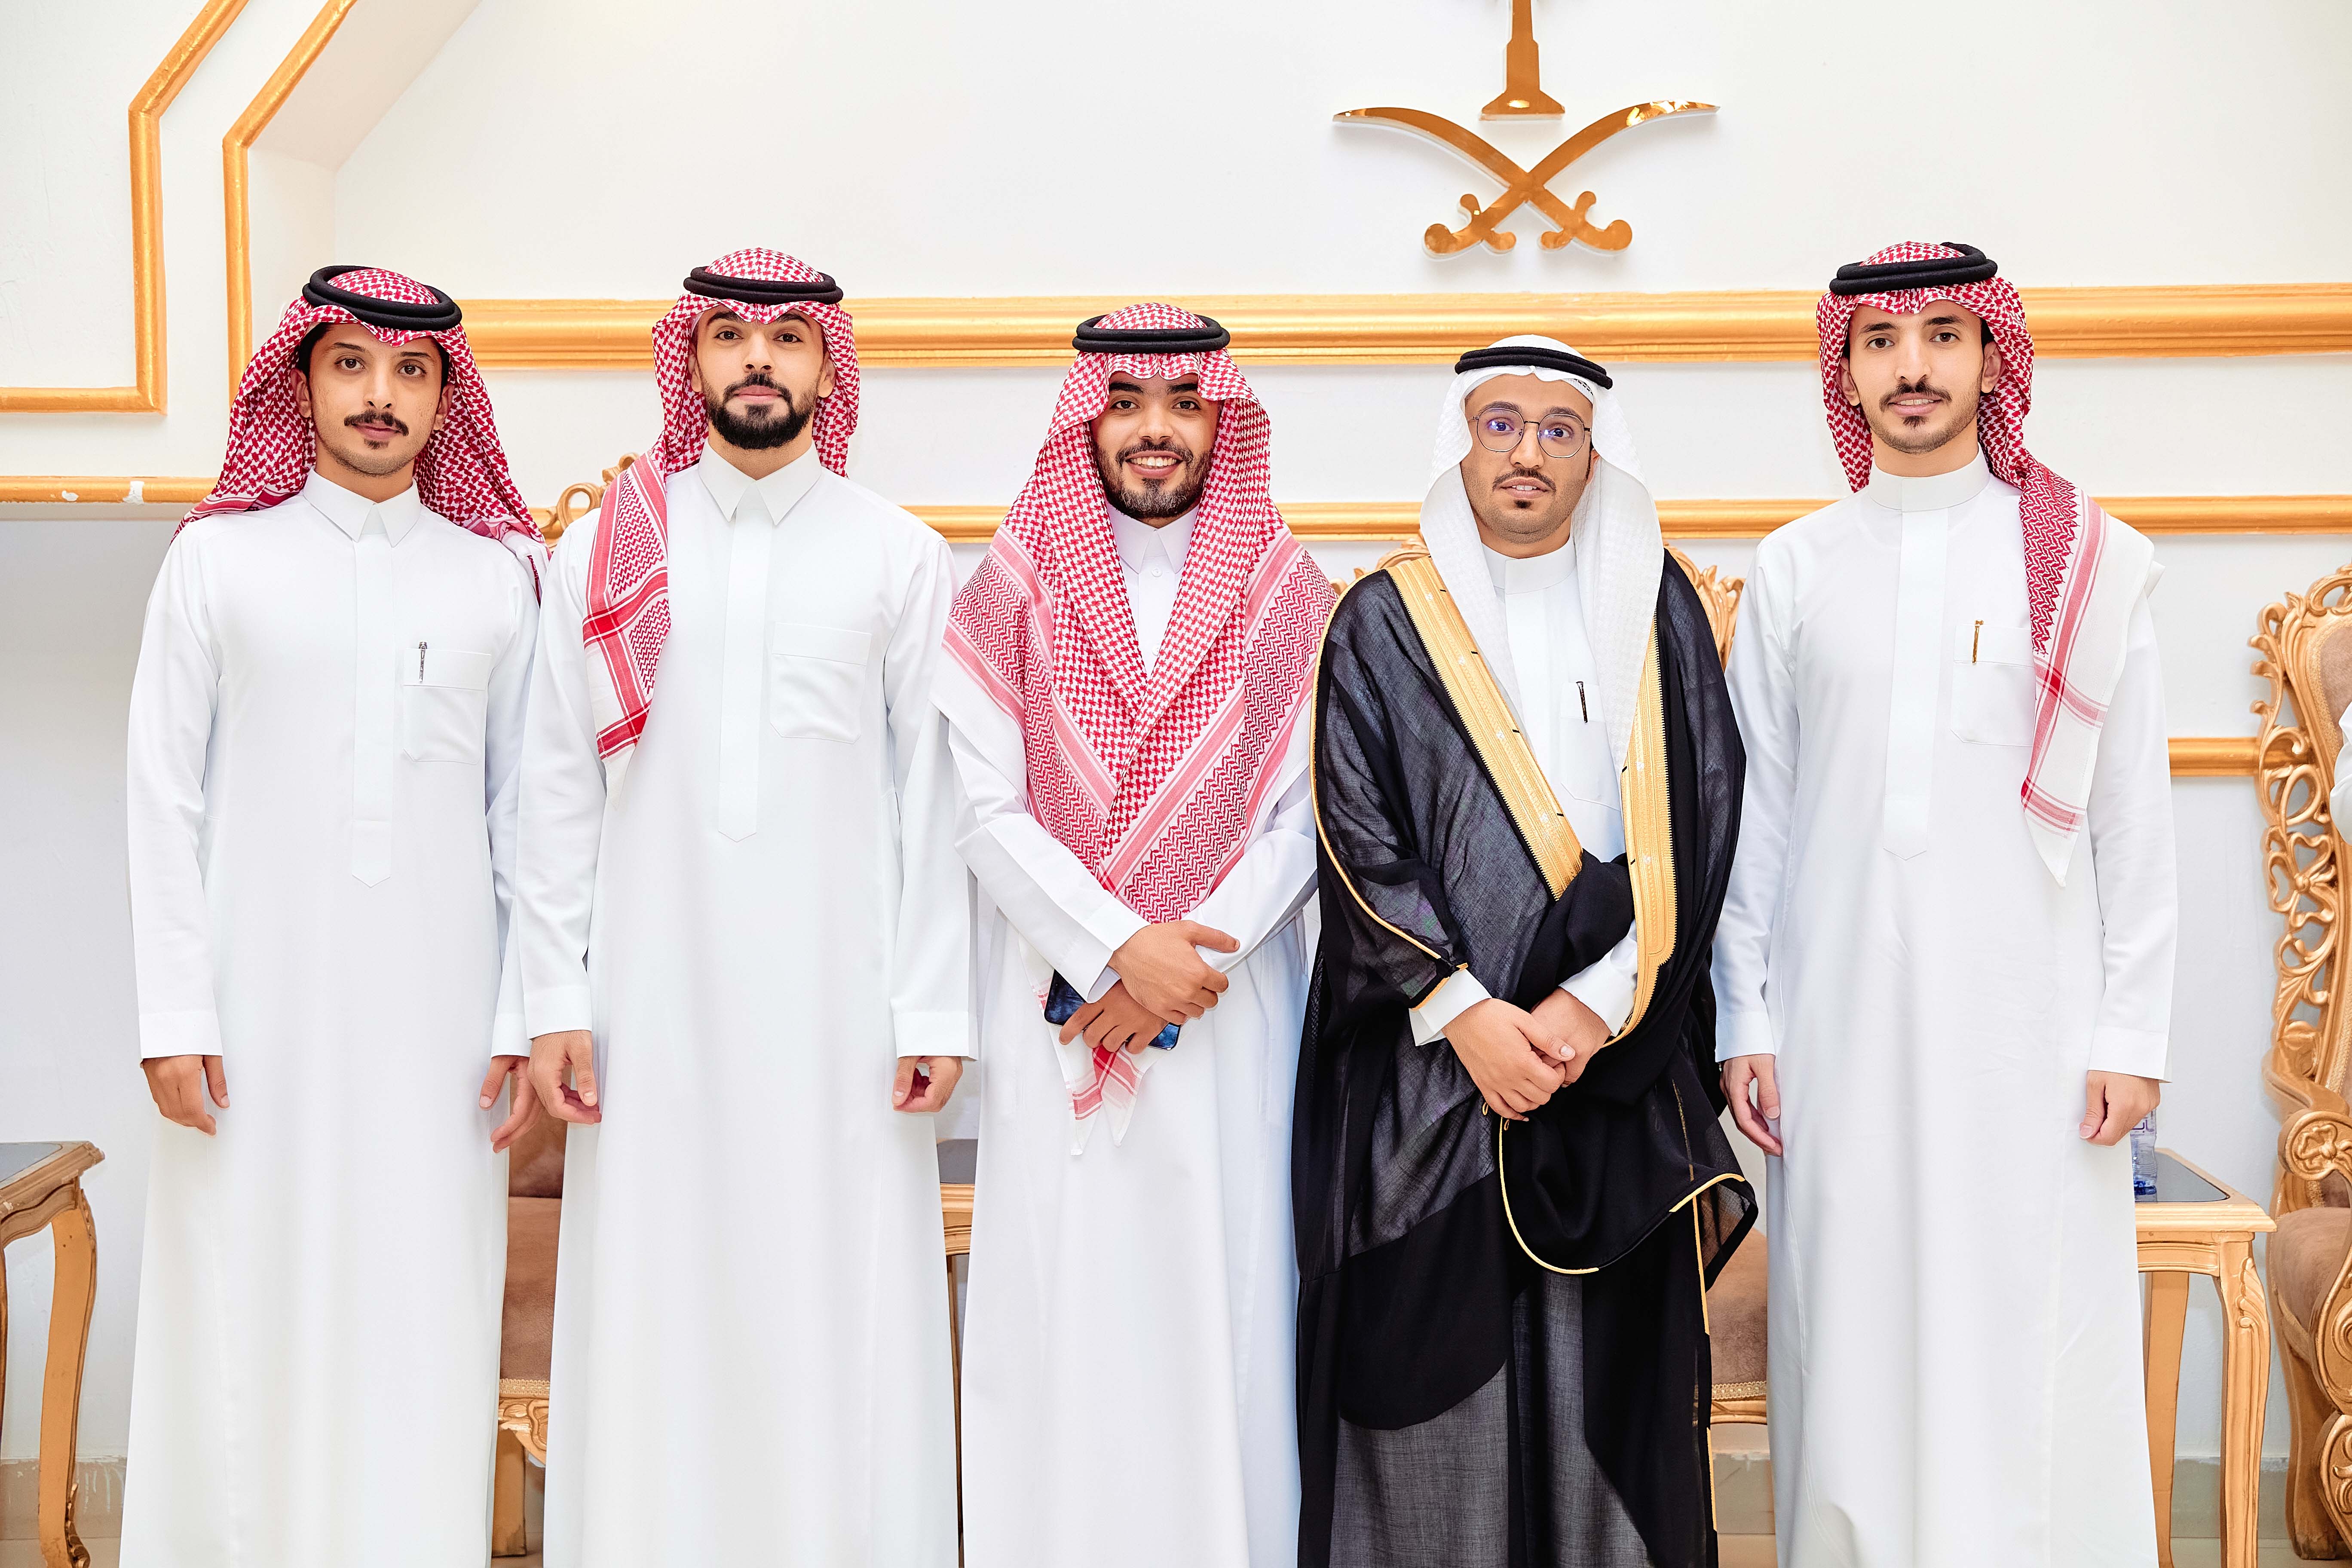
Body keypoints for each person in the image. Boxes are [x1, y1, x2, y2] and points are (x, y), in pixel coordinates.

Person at [1715, 242, 2174, 1566]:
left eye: (1941, 337)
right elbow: (1757, 820)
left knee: (2026, 1322)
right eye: (1880, 342)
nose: (1911, 367)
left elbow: (2135, 819)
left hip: (2033, 1028)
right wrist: (1747, 1017)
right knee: (1851, 1323)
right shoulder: (1796, 567)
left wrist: (2131, 1034)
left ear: (1989, 358)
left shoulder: (2088, 566)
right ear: (1847, 370)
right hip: (1838, 1021)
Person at [517, 249, 968, 1565]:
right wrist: (553, 998)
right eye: (728, 335)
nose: (757, 359)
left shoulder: (898, 556)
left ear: (829, 366)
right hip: (647, 1008)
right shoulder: (608, 547)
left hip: (843, 1014)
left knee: (834, 1302)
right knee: (657, 1299)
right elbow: (553, 789)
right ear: (693, 361)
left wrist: (933, 1010)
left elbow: (933, 799)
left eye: (785, 338)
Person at [1296, 336, 1754, 1568]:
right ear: (1462, 442)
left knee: (1605, 1394)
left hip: (1609, 1063)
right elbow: (1356, 829)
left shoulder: (1656, 608)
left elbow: (1703, 818)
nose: (1527, 454)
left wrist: (1592, 1008)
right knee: (1426, 1397)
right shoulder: (1383, 620)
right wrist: (1466, 1012)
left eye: (1559, 431)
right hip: (1433, 1078)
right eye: (1501, 423)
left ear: (1595, 455)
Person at [122, 266, 542, 1565]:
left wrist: (521, 1016)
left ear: (445, 400)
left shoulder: (496, 579)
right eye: (351, 363)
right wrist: (175, 1016)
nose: (380, 394)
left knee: (422, 1310)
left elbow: (529, 818)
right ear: (301, 381)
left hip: (442, 1031)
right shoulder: (216, 562)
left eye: (411, 371)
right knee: (242, 1304)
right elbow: (159, 797)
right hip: (250, 1019)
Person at [937, 305, 1333, 1567]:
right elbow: (981, 808)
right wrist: (1117, 948)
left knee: (1226, 1308)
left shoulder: (1290, 593)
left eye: (1182, 404)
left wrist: (1181, 963)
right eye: (1125, 403)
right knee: (1062, 1312)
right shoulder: (1013, 587)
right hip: (1058, 1003)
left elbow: (1311, 818)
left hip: (1228, 1011)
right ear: (1087, 421)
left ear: (1224, 422)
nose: (1154, 430)